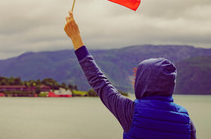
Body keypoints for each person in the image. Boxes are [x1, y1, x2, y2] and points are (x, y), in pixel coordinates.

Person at [64, 11, 196, 139]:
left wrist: (76, 38)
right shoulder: (185, 119)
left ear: (145, 81)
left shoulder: (131, 112)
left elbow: (98, 80)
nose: (134, 82)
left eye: (137, 76)